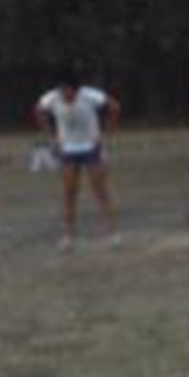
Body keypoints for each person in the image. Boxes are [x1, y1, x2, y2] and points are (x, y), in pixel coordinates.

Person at [33, 71, 121, 249]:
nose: (64, 95)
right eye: (61, 91)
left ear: (76, 90)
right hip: (68, 149)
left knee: (100, 190)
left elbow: (114, 107)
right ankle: (69, 235)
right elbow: (38, 111)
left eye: (68, 91)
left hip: (91, 146)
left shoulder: (90, 95)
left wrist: (107, 131)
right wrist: (51, 136)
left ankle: (111, 232)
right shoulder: (51, 98)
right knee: (69, 192)